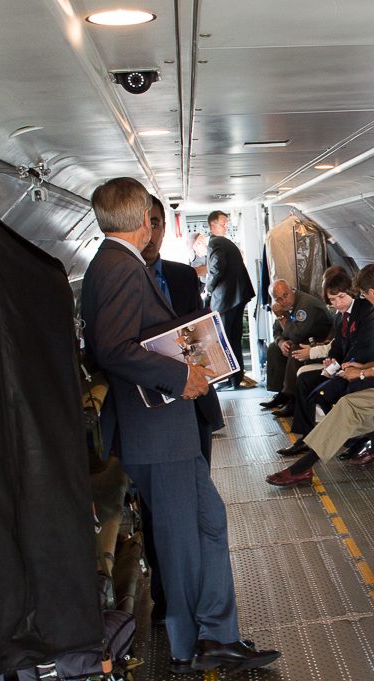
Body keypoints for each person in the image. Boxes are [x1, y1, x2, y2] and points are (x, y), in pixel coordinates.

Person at [80, 178, 279, 673]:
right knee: (180, 539)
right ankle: (191, 645)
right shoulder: (119, 269)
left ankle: (217, 632)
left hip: (164, 432)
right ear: (144, 222)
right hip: (157, 432)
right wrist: (180, 373)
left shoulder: (112, 266)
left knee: (208, 521)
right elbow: (113, 349)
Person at [266, 264, 374, 487]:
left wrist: (363, 373)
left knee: (349, 403)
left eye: (365, 294)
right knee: (348, 403)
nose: (366, 300)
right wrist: (361, 369)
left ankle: (302, 468)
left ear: (373, 292)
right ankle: (369, 444)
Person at [139, 197, 227, 625]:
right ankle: (166, 599)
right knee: (160, 515)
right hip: (153, 419)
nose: (152, 233)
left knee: (199, 511)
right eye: (146, 224)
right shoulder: (124, 279)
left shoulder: (179, 275)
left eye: (158, 224)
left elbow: (199, 331)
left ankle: (199, 607)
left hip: (193, 409)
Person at [279, 268, 374, 456]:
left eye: (341, 297)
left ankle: (355, 439)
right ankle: (307, 436)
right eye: (333, 300)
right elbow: (338, 345)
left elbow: (364, 348)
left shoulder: (367, 311)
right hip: (344, 367)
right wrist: (331, 361)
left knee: (322, 394)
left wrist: (340, 367)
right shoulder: (339, 316)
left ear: (351, 292)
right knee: (304, 381)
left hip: (365, 368)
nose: (338, 304)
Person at [260, 279, 333, 412]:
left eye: (286, 295)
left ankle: (292, 398)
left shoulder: (304, 304)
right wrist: (281, 342)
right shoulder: (285, 306)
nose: (284, 301)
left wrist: (281, 316)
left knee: (295, 350)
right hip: (303, 339)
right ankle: (281, 393)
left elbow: (295, 335)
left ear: (291, 290)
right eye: (279, 299)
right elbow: (276, 330)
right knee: (274, 348)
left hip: (320, 343)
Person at [205, 211, 254, 389]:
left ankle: (228, 379)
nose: (226, 227)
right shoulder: (224, 243)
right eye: (223, 224)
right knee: (234, 339)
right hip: (237, 297)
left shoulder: (215, 243)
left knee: (224, 341)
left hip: (226, 299)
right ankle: (235, 377)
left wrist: (208, 289)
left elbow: (216, 268)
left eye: (226, 224)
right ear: (212, 225)